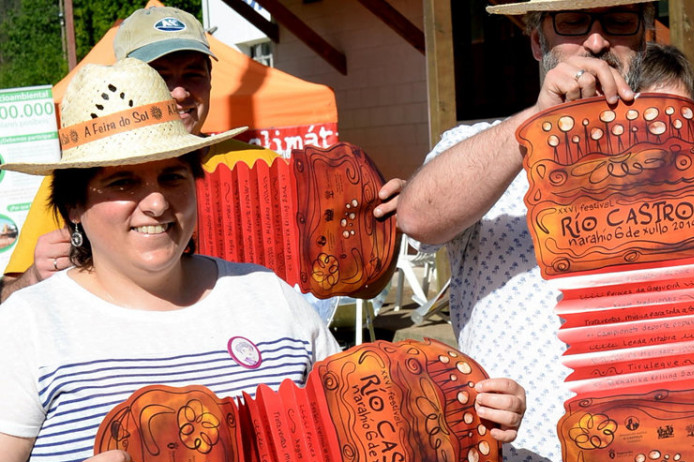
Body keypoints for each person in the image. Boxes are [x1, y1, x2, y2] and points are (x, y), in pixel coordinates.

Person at [0, 59, 526, 462]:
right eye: (122, 182)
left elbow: (358, 429)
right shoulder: (31, 323)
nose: (156, 202)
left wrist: (466, 414)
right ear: (73, 204)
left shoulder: (266, 294)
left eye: (173, 176)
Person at [397, 2, 694, 462]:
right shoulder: (482, 148)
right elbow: (418, 216)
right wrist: (540, 119)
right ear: (536, 41)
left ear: (642, 35)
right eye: (571, 23)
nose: (595, 42)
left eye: (617, 22)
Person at [0, 6, 403, 302]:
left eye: (194, 73)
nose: (179, 91)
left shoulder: (261, 167)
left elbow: (350, 278)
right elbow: (8, 299)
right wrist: (33, 276)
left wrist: (381, 225)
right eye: (160, 74)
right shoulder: (81, 177)